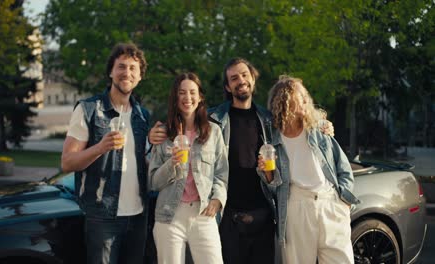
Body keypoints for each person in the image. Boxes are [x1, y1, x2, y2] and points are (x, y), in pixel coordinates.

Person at [149, 58, 334, 264]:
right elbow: (187, 120)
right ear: (228, 86)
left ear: (253, 79)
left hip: (262, 212)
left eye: (244, 75)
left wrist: (322, 124)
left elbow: (296, 123)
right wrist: (154, 135)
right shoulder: (213, 120)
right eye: (234, 78)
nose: (241, 81)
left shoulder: (269, 120)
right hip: (228, 216)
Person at [61, 43, 150, 264]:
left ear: (140, 77)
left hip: (138, 216)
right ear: (111, 72)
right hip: (102, 216)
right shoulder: (88, 109)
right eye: (121, 67)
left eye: (132, 69)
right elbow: (67, 162)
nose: (126, 73)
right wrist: (100, 147)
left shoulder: (143, 115)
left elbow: (144, 163)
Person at [258, 75, 360, 264]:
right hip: (297, 209)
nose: (307, 99)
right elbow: (272, 190)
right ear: (285, 101)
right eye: (301, 96)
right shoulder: (272, 141)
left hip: (330, 205)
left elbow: (343, 167)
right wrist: (268, 174)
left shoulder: (318, 131)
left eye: (306, 95)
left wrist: (343, 201)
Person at [148, 72, 228, 264]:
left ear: (200, 97)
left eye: (192, 92)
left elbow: (221, 173)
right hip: (169, 215)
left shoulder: (214, 131)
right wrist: (172, 163)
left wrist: (217, 199)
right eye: (182, 92)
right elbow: (153, 182)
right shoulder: (163, 133)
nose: (187, 98)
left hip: (203, 214)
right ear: (175, 98)